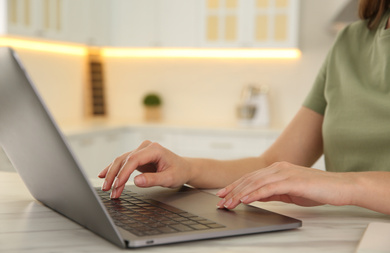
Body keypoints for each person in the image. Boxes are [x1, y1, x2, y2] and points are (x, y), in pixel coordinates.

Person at [99, 0, 390, 215]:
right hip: (341, 235)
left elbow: (336, 184)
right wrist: (187, 167)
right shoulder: (348, 43)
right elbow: (269, 164)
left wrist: (343, 186)